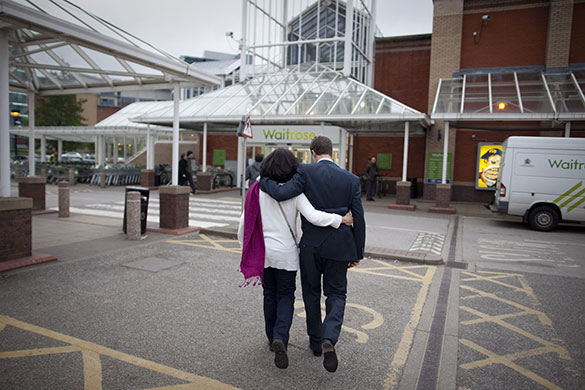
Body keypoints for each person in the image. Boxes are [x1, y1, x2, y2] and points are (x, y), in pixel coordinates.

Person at [238, 148, 353, 370]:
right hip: (287, 254)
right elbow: (314, 217)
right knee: (285, 296)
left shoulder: (256, 189)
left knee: (269, 294)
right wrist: (341, 219)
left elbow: (244, 222)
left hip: (264, 253)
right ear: (292, 167)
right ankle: (282, 336)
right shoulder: (296, 192)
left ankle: (272, 338)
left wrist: (244, 247)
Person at [259, 136, 366, 373]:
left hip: (311, 247)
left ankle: (316, 343)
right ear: (332, 153)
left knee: (311, 293)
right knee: (337, 293)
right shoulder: (351, 179)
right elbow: (358, 216)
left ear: (313, 153)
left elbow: (283, 192)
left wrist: (262, 180)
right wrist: (357, 251)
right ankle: (330, 337)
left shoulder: (305, 172)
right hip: (340, 245)